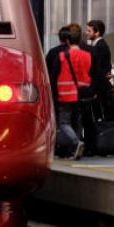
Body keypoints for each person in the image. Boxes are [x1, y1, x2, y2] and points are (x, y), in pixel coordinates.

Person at [46, 25, 92, 159]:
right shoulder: (87, 55)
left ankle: (76, 143)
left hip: (65, 94)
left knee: (64, 122)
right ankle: (76, 150)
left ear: (68, 41)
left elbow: (53, 76)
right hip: (82, 94)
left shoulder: (61, 55)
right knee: (77, 122)